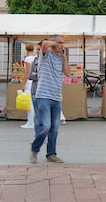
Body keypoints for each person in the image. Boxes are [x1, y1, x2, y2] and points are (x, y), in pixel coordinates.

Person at [28, 34, 73, 164]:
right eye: (60, 43)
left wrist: (64, 56)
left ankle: (51, 154)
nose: (62, 45)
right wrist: (54, 43)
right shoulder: (45, 54)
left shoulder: (60, 57)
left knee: (54, 129)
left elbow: (68, 73)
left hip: (56, 96)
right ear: (53, 43)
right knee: (46, 126)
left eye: (63, 43)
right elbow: (44, 44)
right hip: (43, 96)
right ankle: (34, 148)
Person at [19, 43, 38, 129]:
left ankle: (30, 121)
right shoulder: (36, 57)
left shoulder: (27, 59)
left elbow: (27, 72)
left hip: (29, 82)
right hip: (35, 81)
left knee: (29, 103)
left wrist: (23, 84)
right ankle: (34, 120)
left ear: (26, 50)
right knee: (34, 102)